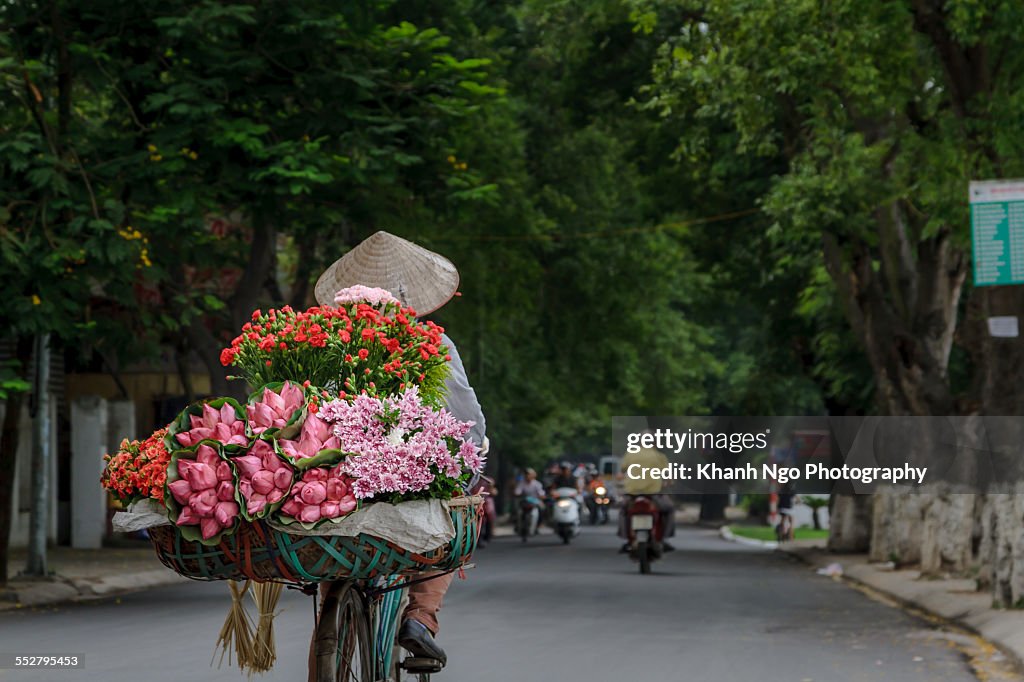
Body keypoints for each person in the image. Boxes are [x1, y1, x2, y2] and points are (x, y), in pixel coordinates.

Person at [312, 231, 486, 668]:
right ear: (406, 298)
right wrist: (470, 452)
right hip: (409, 470)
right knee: (452, 510)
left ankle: (332, 605)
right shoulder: (430, 343)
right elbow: (466, 416)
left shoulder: (325, 345)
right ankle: (422, 618)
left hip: (332, 472)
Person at [618, 440, 676, 551]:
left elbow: (622, 472)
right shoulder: (659, 456)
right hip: (653, 494)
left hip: (632, 494)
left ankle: (626, 537)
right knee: (669, 509)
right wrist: (668, 482)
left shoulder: (630, 454)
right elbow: (668, 476)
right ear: (655, 443)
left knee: (623, 511)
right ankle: (664, 538)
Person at [514, 468, 546, 535]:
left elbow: (541, 493)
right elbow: (517, 491)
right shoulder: (521, 483)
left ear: (533, 475)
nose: (527, 476)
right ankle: (517, 525)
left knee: (542, 509)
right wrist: (517, 493)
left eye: (529, 474)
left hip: (535, 501)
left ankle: (538, 525)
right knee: (517, 511)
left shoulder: (537, 484)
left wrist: (541, 496)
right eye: (526, 474)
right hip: (524, 501)